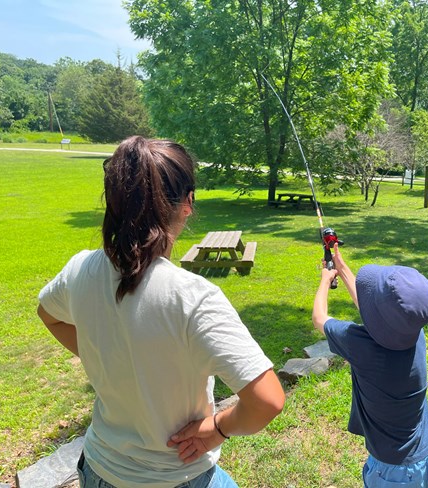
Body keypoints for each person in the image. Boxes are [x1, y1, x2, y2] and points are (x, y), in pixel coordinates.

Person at [37, 136, 285, 488]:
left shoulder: (79, 269)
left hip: (97, 469)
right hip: (180, 477)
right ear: (188, 204)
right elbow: (268, 401)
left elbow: (48, 314)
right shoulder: (193, 297)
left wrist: (110, 354)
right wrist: (217, 428)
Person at [312, 243, 428, 487]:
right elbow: (377, 314)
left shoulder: (359, 345)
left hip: (394, 473)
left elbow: (319, 318)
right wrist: (343, 267)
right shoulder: (414, 334)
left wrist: (325, 280)